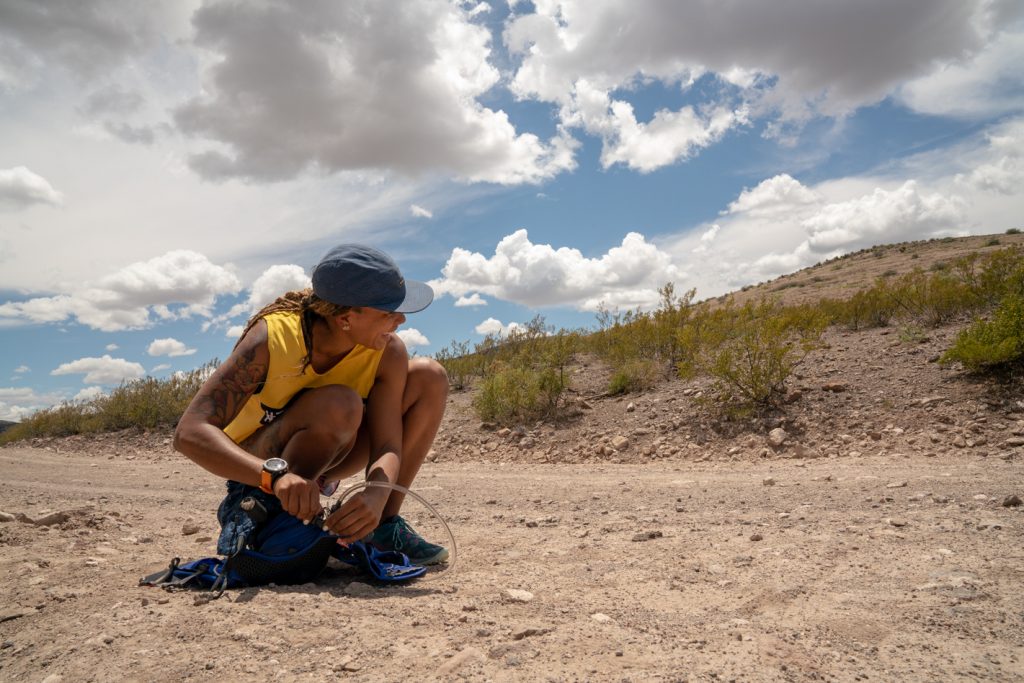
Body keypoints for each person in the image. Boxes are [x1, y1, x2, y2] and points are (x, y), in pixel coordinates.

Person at [173, 244, 450, 565]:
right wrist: (274, 478)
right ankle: (270, 513)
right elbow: (189, 432)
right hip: (263, 466)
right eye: (388, 313)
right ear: (346, 317)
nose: (401, 320)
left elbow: (388, 443)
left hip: (337, 450)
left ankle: (383, 528)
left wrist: (377, 494)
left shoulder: (387, 350)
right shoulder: (271, 338)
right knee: (340, 403)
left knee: (429, 376)